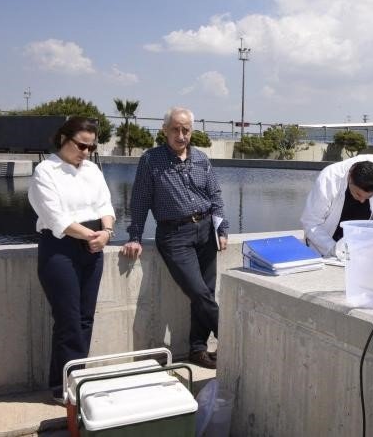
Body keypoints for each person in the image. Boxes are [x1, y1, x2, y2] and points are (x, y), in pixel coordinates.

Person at [120, 107, 228, 369]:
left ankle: (198, 350)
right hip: (174, 236)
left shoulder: (201, 159)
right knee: (200, 292)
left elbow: (215, 196)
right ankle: (233, 338)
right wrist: (135, 236)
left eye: (186, 130)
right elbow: (140, 201)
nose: (181, 135)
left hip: (205, 231)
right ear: (165, 130)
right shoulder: (151, 160)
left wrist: (221, 230)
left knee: (206, 291)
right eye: (176, 130)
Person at [28, 116, 115, 403]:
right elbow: (56, 217)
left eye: (91, 147)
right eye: (81, 145)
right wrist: (92, 236)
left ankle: (73, 380)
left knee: (85, 318)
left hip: (93, 244)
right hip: (61, 247)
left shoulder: (92, 170)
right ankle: (64, 386)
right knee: (68, 320)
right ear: (63, 138)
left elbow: (105, 204)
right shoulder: (45, 171)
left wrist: (107, 232)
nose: (86, 152)